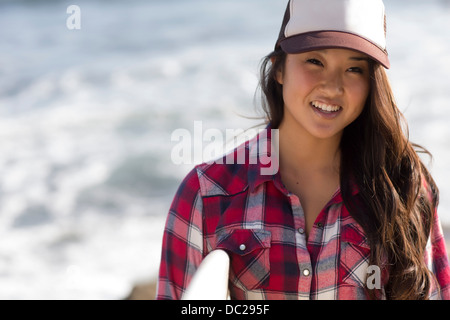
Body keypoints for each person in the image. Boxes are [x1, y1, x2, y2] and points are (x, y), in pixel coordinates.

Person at [156, 0, 450, 300]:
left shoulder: (404, 190)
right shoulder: (206, 195)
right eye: (314, 61)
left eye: (353, 68)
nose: (333, 87)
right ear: (279, 69)